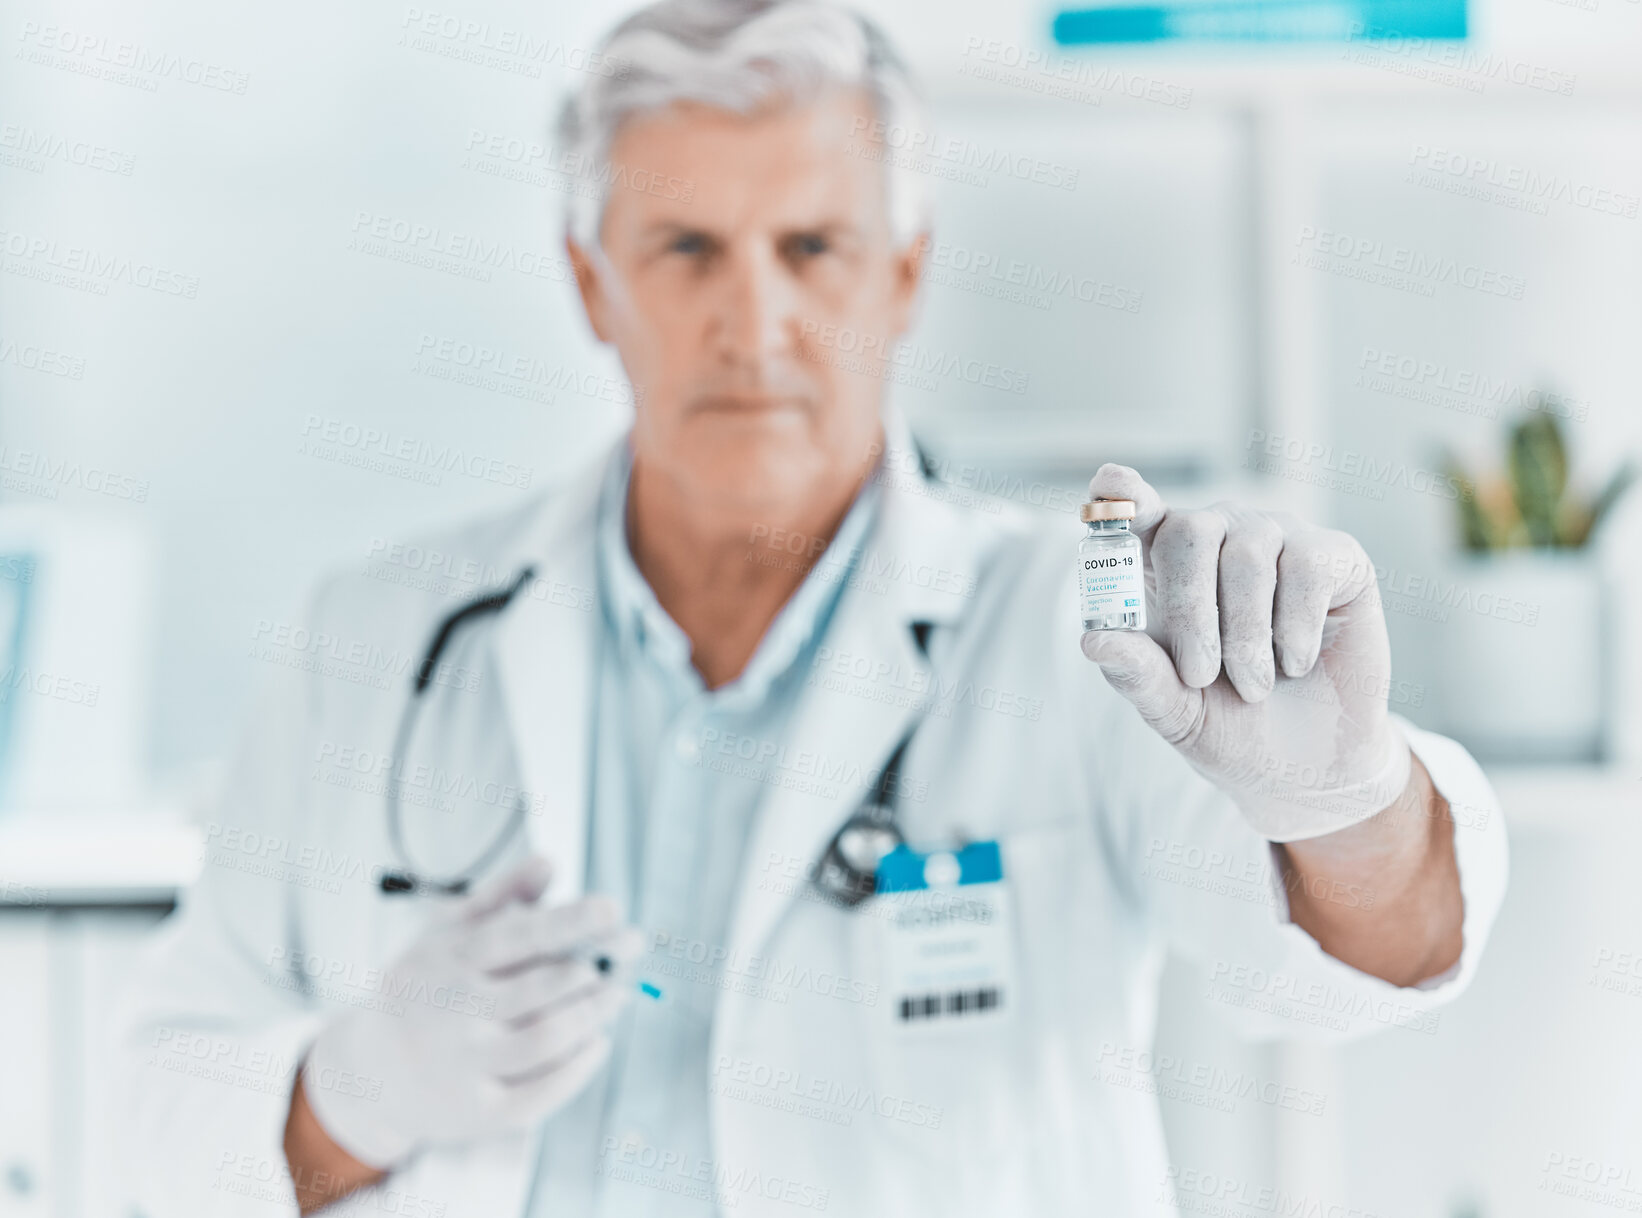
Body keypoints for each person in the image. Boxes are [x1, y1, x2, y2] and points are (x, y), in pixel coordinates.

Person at [111, 1, 1508, 1214]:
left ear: (902, 273)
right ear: (589, 280)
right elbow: (152, 1126)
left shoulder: (1071, 639)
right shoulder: (375, 638)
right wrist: (348, 1092)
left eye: (813, 245)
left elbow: (1355, 964)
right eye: (685, 248)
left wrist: (1341, 803)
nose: (754, 320)